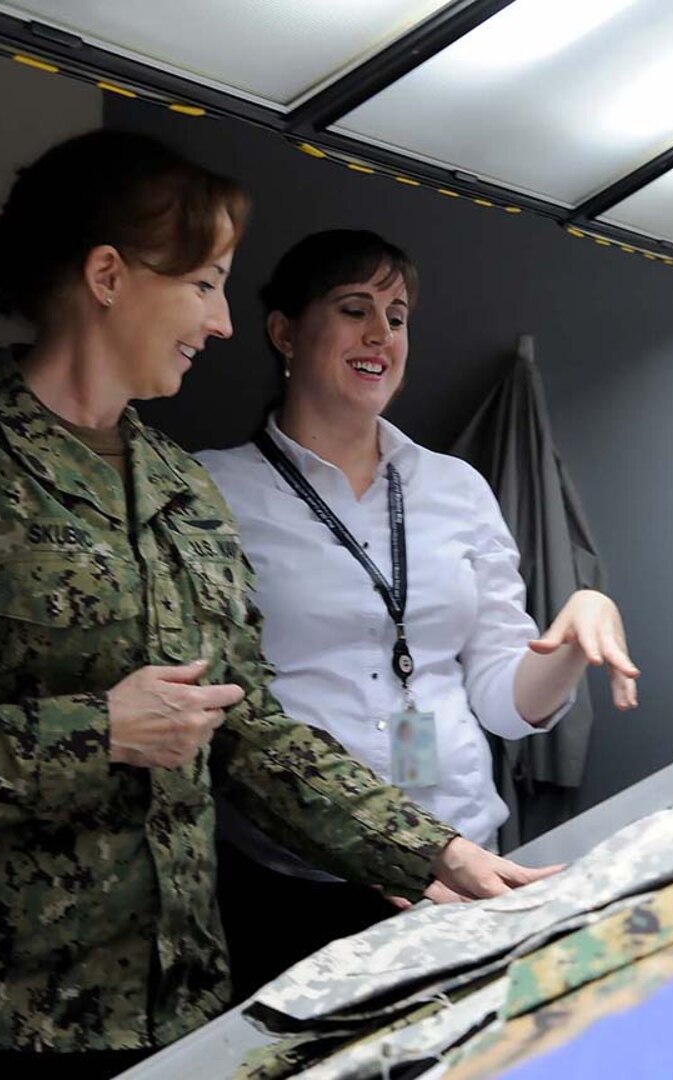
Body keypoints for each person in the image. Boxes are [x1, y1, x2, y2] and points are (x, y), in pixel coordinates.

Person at [0, 133, 551, 1080]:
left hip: (169, 1006)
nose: (222, 322)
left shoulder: (179, 487)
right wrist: (96, 731)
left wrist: (432, 852)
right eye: (203, 284)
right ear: (108, 275)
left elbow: (248, 729)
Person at [195, 229, 640, 995]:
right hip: (300, 875)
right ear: (283, 332)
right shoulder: (211, 490)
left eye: (397, 316)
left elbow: (504, 703)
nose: (381, 335)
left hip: (463, 857)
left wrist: (573, 634)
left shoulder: (456, 488)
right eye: (354, 308)